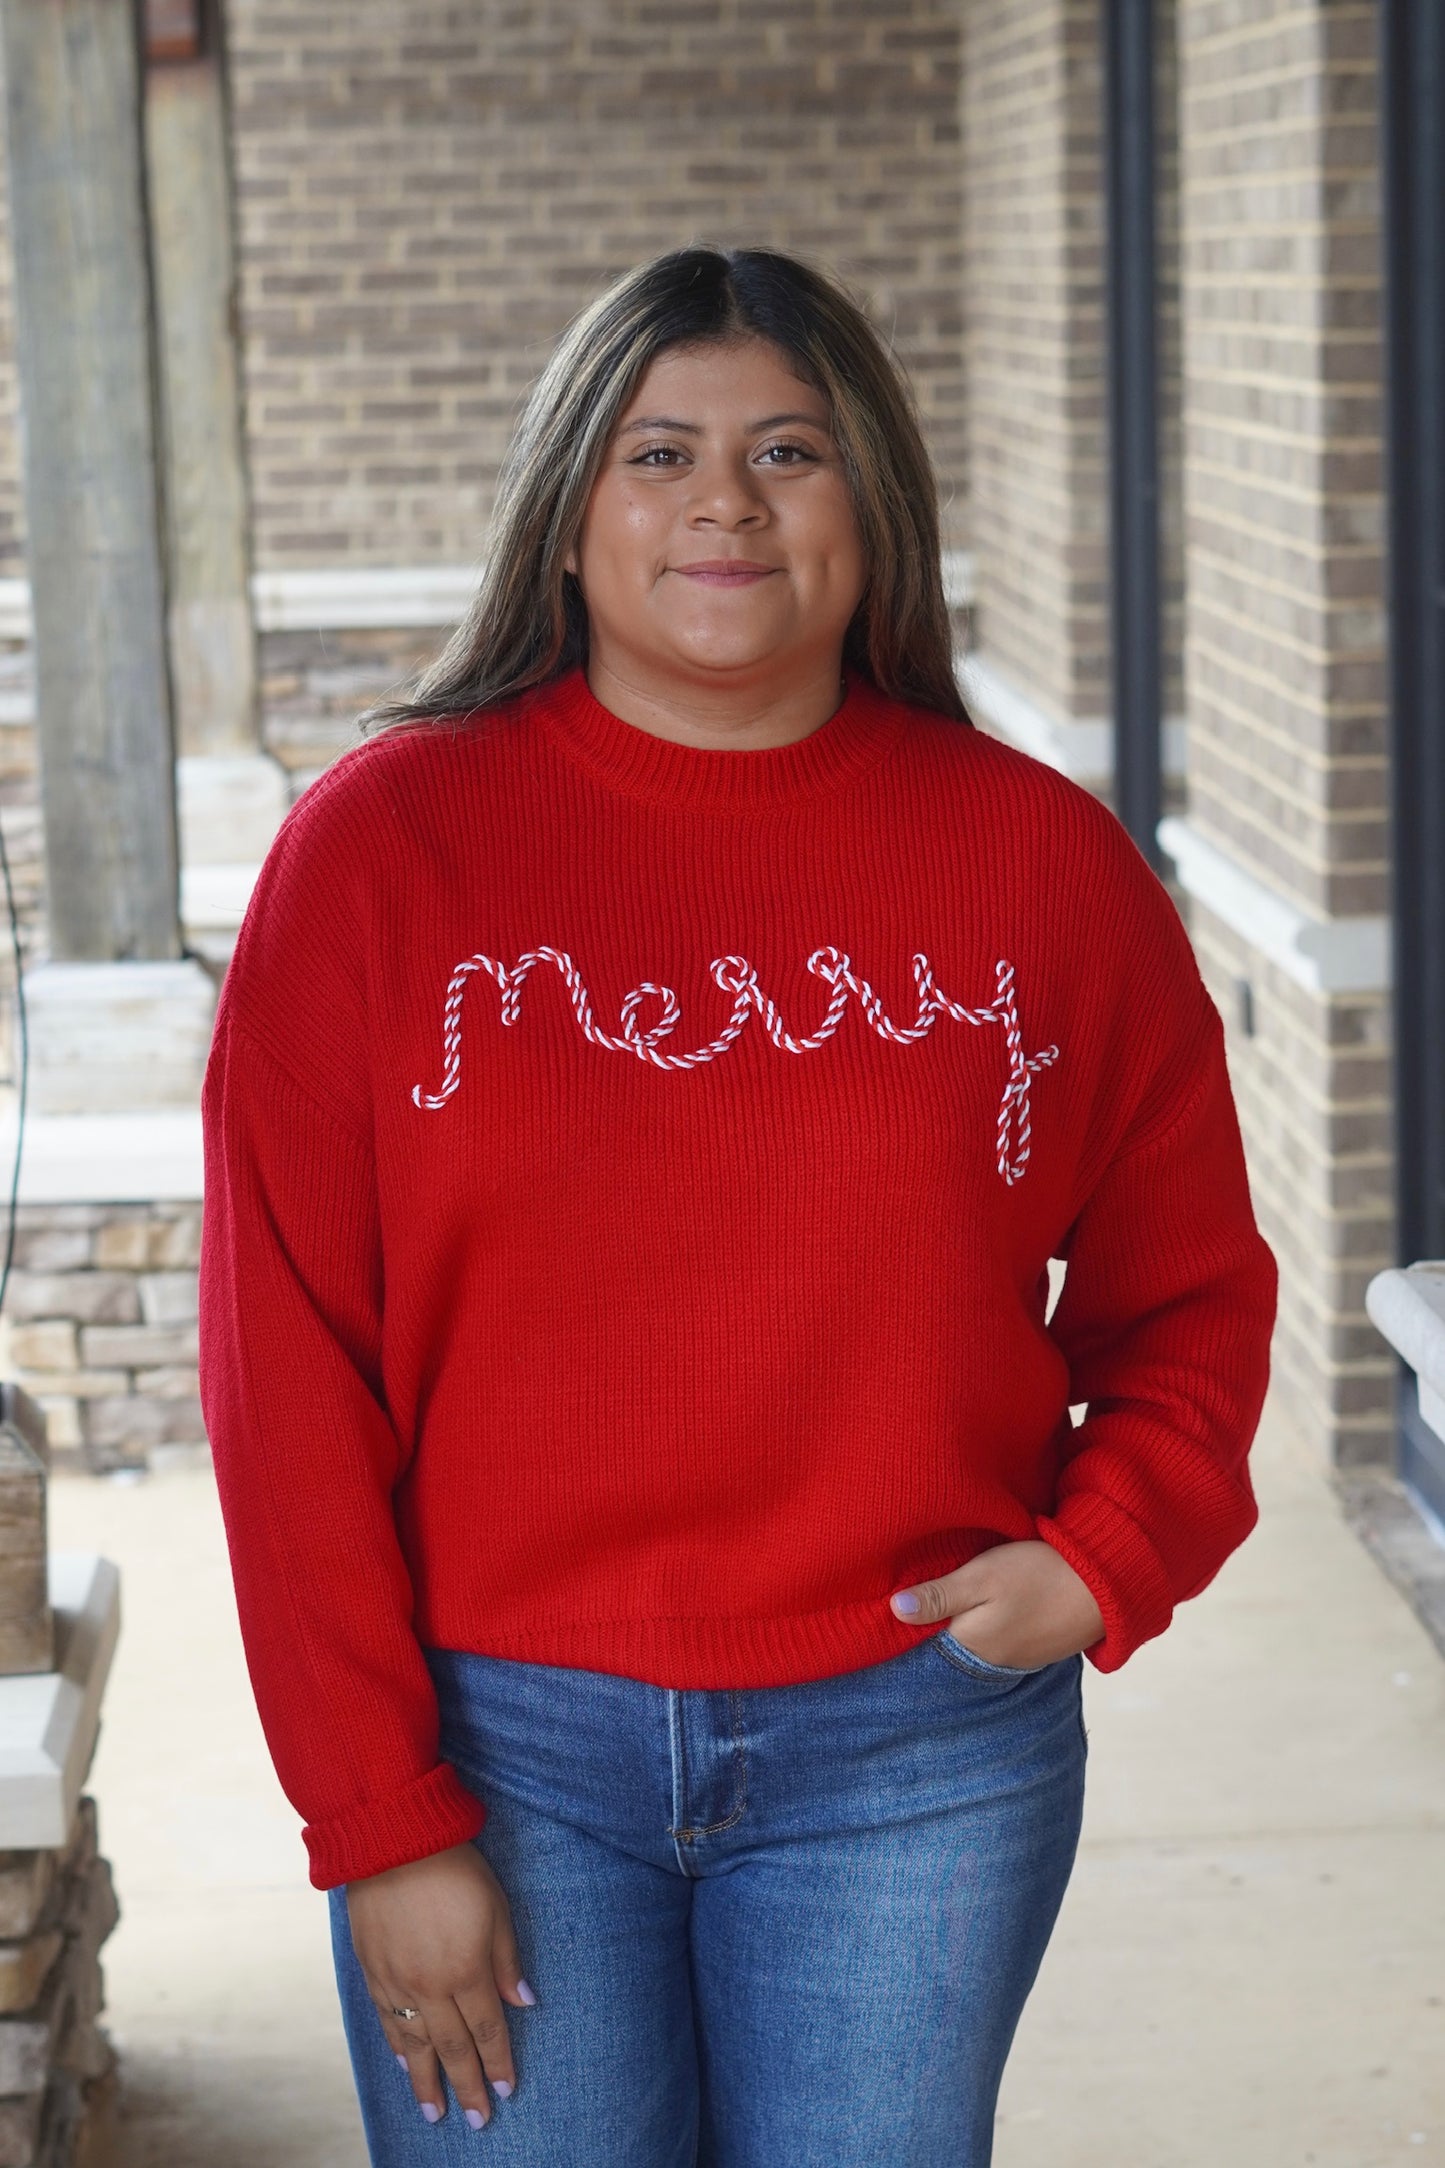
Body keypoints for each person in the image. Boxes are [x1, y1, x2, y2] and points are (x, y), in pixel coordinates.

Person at [197, 243, 1279, 2166]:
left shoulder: (1037, 868)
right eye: (655, 453)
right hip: (499, 1744)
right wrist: (380, 1812)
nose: (723, 501)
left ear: (869, 502)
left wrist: (1113, 1549)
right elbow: (283, 1371)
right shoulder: (376, 858)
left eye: (787, 449)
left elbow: (1187, 1287)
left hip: (914, 1754)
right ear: (563, 520)